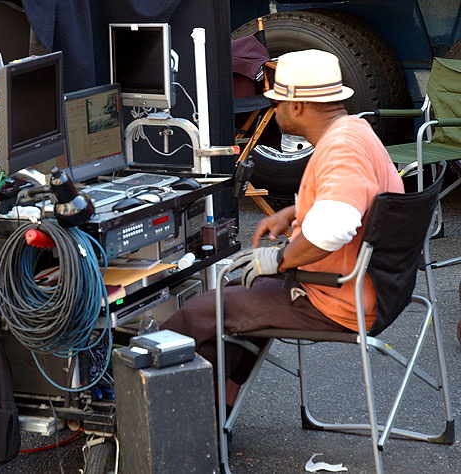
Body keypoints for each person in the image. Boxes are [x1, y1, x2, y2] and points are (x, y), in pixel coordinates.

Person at [161, 49, 404, 406]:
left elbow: (334, 229)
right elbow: (356, 199)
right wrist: (296, 211)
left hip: (338, 298)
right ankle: (220, 407)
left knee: (197, 315)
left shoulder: (340, 149)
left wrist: (278, 260)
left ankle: (171, 424)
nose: (272, 111)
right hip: (370, 287)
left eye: (276, 103)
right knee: (237, 288)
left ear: (298, 106)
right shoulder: (355, 129)